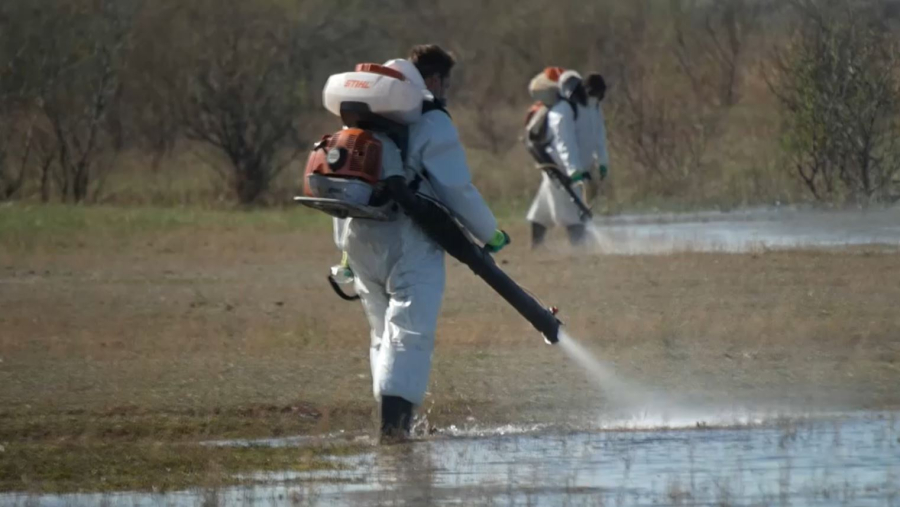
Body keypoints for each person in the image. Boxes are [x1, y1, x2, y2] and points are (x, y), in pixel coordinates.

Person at [333, 45, 509, 442]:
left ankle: (393, 426)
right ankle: (394, 434)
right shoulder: (432, 122)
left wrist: (343, 253)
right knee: (409, 335)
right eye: (446, 81)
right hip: (408, 241)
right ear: (433, 81)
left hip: (360, 240)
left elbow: (345, 192)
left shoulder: (361, 123)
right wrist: (489, 232)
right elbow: (456, 187)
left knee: (383, 335)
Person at [525, 70, 595, 248]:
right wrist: (574, 171)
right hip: (559, 167)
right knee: (571, 212)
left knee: (545, 209)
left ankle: (538, 246)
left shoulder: (575, 108)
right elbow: (565, 143)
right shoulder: (562, 110)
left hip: (562, 166)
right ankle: (579, 250)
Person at [583, 73, 610, 202]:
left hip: (588, 162)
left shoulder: (596, 108)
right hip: (574, 164)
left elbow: (599, 137)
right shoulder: (575, 108)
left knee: (591, 195)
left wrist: (602, 163)